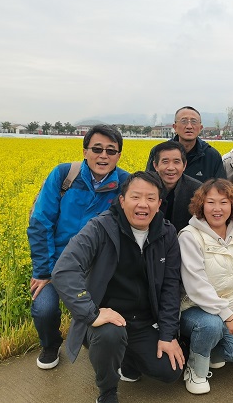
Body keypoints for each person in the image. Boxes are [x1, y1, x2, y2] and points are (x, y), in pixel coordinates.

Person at [51, 172, 184, 403]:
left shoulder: (167, 233)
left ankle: (125, 359)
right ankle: (107, 391)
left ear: (159, 204)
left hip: (143, 321)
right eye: (136, 197)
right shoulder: (100, 227)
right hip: (106, 319)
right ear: (122, 201)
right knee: (110, 336)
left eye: (150, 198)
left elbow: (171, 286)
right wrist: (91, 313)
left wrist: (167, 335)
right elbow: (64, 270)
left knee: (170, 371)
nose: (143, 204)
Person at [27, 124, 129, 370]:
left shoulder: (125, 183)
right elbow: (41, 222)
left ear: (118, 155)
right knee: (44, 308)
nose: (103, 156)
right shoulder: (65, 175)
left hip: (98, 268)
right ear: (85, 152)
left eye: (110, 150)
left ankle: (97, 344)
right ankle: (51, 345)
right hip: (58, 264)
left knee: (114, 309)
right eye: (97, 149)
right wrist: (44, 271)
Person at [178, 179, 233, 394]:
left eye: (224, 202)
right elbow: (196, 286)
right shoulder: (189, 236)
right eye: (211, 202)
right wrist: (227, 316)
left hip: (229, 307)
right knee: (211, 325)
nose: (217, 208)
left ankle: (205, 350)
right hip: (193, 309)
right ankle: (195, 370)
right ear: (201, 205)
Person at [146, 106, 226, 182]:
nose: (189, 126)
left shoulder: (212, 156)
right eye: (184, 121)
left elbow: (220, 188)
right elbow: (148, 184)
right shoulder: (159, 151)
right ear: (175, 127)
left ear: (200, 128)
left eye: (194, 122)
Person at [150, 140, 202, 232]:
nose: (171, 168)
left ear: (184, 165)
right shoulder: (144, 187)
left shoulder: (197, 190)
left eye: (176, 162)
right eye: (165, 162)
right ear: (155, 165)